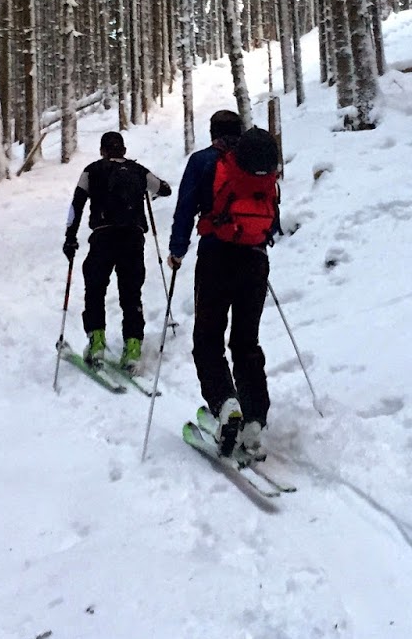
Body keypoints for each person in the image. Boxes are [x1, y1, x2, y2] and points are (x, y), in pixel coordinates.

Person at [168, 110, 281, 461]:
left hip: (216, 258)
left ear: (213, 132)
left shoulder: (203, 161)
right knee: (246, 342)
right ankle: (254, 419)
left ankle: (225, 404)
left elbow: (185, 207)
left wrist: (177, 251)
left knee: (207, 339)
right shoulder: (258, 164)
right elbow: (272, 218)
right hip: (255, 259)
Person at [64, 132, 171, 370]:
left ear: (103, 150)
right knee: (131, 293)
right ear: (123, 149)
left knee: (95, 289)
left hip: (103, 237)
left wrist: (70, 238)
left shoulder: (92, 170)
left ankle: (96, 342)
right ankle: (133, 347)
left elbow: (76, 205)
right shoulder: (138, 170)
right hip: (132, 238)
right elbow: (164, 189)